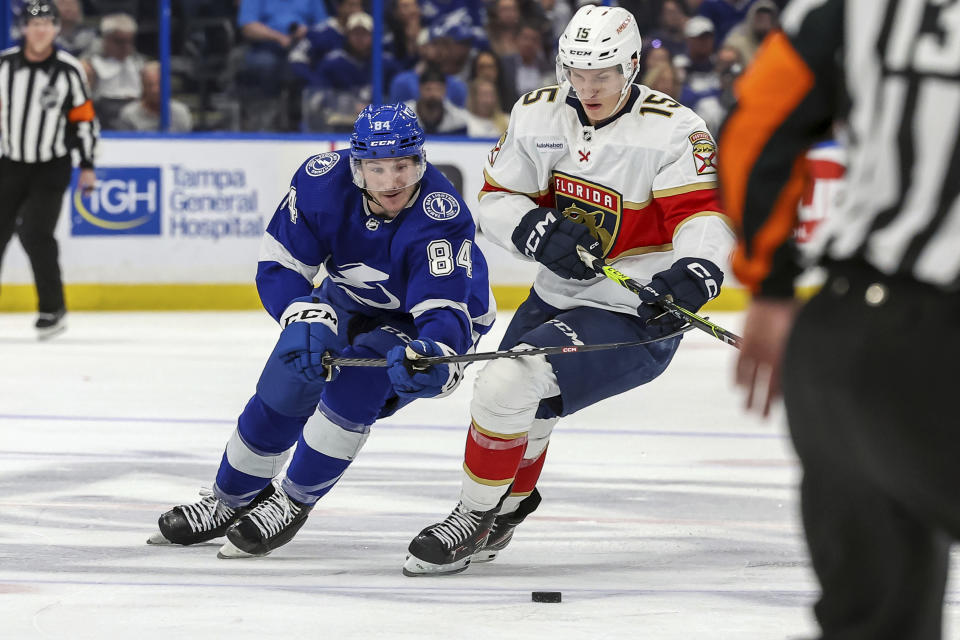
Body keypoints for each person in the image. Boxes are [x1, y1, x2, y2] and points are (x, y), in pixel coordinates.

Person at [402, 4, 734, 576]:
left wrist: (697, 271)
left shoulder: (675, 129)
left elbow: (702, 215)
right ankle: (507, 507)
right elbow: (498, 197)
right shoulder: (536, 112)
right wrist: (533, 230)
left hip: (638, 309)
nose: (587, 87)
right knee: (524, 403)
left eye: (601, 73)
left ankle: (470, 515)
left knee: (509, 379)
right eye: (576, 72)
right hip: (556, 294)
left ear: (632, 65)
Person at [148, 103, 495, 560]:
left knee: (357, 386)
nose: (392, 182)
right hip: (348, 297)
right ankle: (228, 499)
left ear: (421, 162)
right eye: (377, 168)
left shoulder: (440, 214)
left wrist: (435, 353)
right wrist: (300, 313)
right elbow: (281, 264)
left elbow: (442, 309)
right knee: (290, 373)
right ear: (356, 167)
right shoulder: (319, 182)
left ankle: (292, 501)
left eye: (403, 166)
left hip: (425, 319)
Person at [721, 1, 960, 638]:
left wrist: (769, 286)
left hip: (846, 342)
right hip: (941, 339)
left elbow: (752, 134)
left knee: (875, 620)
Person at [0, 1, 98, 339]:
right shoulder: (3, 66)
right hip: (9, 163)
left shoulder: (69, 70)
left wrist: (87, 165)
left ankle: (52, 309)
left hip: (50, 165)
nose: (40, 30)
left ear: (56, 29)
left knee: (35, 233)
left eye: (47, 24)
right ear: (24, 29)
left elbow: (84, 120)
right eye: (33, 23)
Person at [115, 61, 193, 132]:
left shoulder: (181, 114)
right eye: (150, 85)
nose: (155, 90)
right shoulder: (129, 115)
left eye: (159, 84)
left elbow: (188, 144)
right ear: (143, 86)